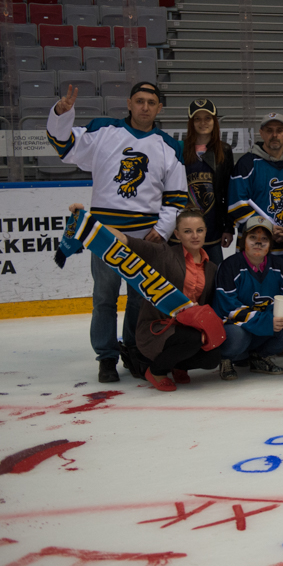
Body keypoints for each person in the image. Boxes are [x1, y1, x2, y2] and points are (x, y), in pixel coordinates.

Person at [46, 82, 187, 383]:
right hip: (104, 236)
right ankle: (106, 357)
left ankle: (134, 350)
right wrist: (61, 114)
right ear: (129, 103)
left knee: (139, 300)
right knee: (104, 298)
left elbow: (176, 197)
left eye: (151, 102)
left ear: (159, 108)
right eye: (140, 101)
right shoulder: (103, 131)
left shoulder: (169, 146)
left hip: (143, 239)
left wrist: (162, 230)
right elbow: (64, 146)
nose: (145, 107)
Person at [68, 204, 222, 391]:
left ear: (206, 232)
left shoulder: (211, 268)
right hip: (158, 328)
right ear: (177, 234)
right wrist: (85, 220)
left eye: (199, 230)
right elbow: (123, 239)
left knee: (213, 357)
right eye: (187, 231)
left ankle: (178, 364)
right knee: (193, 339)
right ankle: (156, 371)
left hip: (188, 328)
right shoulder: (163, 253)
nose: (195, 236)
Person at [213, 216, 283, 380]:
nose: (258, 243)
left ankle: (258, 357)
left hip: (263, 326)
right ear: (244, 240)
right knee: (239, 336)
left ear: (271, 243)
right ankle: (226, 358)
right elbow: (228, 308)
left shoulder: (279, 266)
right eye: (253, 237)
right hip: (236, 328)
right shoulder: (229, 266)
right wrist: (267, 321)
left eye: (264, 239)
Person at [228, 113, 283, 272]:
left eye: (279, 130)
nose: (274, 135)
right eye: (269, 130)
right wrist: (266, 227)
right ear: (261, 133)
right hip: (254, 254)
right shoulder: (246, 164)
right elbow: (236, 204)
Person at [181, 99, 234, 266]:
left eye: (208, 118)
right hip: (185, 226)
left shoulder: (224, 150)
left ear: (215, 121)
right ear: (191, 122)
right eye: (197, 118)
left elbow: (228, 191)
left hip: (213, 228)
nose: (203, 123)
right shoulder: (180, 149)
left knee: (215, 275)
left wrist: (228, 227)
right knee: (184, 276)